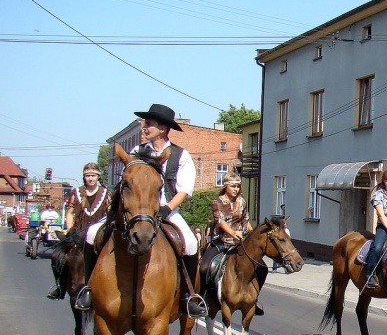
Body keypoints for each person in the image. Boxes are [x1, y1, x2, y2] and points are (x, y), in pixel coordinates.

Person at [75, 103, 207, 318]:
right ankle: (88, 288)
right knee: (91, 233)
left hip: (166, 209)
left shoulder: (181, 155)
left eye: (149, 124)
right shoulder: (136, 152)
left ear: (163, 128)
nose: (144, 128)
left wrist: (166, 209)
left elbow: (184, 190)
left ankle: (188, 296)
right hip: (136, 210)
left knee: (191, 243)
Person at [47, 163, 111, 300]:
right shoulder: (76, 192)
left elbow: (110, 214)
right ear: (84, 177)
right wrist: (69, 229)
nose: (90, 179)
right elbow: (70, 213)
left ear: (98, 177)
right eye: (88, 176)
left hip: (98, 235)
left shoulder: (106, 193)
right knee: (57, 255)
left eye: (93, 176)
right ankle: (61, 286)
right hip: (78, 234)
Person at [199, 173, 259, 312]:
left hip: (239, 243)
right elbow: (220, 222)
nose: (236, 189)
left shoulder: (242, 202)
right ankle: (201, 298)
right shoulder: (217, 202)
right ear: (226, 186)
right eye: (233, 186)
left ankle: (254, 300)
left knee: (260, 268)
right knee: (204, 267)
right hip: (221, 243)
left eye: (238, 186)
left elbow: (246, 221)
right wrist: (233, 233)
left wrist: (254, 235)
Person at [271, 204, 290, 272]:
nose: (285, 224)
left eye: (285, 223)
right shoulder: (278, 230)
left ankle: (286, 269)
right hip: (279, 245)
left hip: (284, 246)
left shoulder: (287, 230)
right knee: (276, 256)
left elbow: (289, 238)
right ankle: (274, 268)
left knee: (285, 257)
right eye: (284, 223)